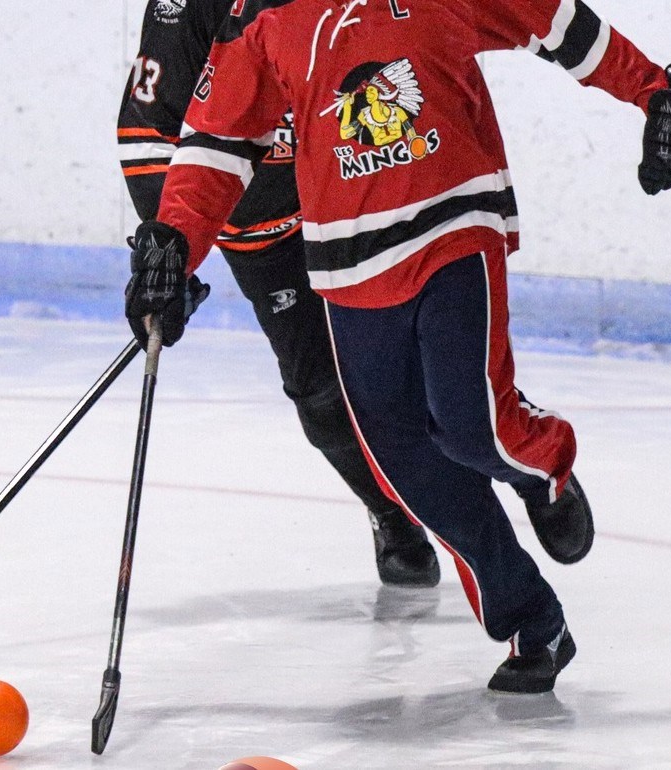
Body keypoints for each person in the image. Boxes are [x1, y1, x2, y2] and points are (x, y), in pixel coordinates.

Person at [123, 0, 671, 693]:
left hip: (451, 223)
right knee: (402, 458)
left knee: (470, 426)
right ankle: (531, 620)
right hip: (345, 262)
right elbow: (218, 142)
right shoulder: (259, 18)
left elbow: (555, 23)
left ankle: (541, 465)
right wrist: (174, 244)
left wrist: (652, 91)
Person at [118, 0, 441, 587]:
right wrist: (172, 257)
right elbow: (146, 133)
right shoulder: (185, 8)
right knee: (319, 391)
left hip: (354, 205)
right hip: (259, 231)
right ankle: (392, 512)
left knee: (425, 365)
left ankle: (503, 469)